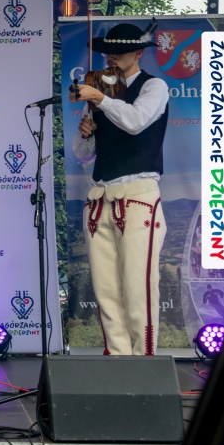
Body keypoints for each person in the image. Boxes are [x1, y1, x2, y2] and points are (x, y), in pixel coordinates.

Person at [70, 20, 169, 356]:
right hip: (99, 196)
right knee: (106, 287)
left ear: (138, 53)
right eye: (108, 52)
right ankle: (117, 359)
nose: (111, 57)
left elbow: (136, 121)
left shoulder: (153, 86)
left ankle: (144, 362)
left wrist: (101, 99)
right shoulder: (103, 93)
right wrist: (86, 133)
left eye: (120, 52)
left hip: (137, 194)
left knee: (138, 285)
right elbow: (84, 154)